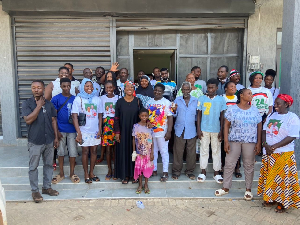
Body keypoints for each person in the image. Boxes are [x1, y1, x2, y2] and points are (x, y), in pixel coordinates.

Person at [215, 88, 262, 200]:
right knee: (229, 163)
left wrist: (259, 142)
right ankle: (225, 187)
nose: (251, 95)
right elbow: (226, 125)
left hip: (250, 141)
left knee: (249, 165)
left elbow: (259, 126)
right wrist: (226, 141)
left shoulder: (255, 110)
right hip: (234, 140)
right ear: (241, 95)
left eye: (251, 94)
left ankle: (248, 190)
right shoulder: (232, 109)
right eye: (249, 93)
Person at [258, 94, 300, 213]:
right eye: (275, 103)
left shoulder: (293, 118)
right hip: (269, 153)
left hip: (284, 153)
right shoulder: (272, 115)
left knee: (282, 180)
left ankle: (283, 203)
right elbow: (264, 130)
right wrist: (265, 144)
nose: (275, 106)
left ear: (286, 104)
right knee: (270, 177)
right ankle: (270, 198)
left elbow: (292, 136)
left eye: (278, 104)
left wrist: (275, 146)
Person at [22, 80, 59, 203]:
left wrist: (55, 137)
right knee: (33, 167)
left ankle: (47, 187)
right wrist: (38, 106)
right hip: (35, 141)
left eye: (39, 87)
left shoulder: (49, 104)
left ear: (43, 89)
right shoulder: (27, 103)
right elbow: (28, 120)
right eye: (34, 88)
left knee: (48, 165)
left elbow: (53, 120)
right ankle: (35, 191)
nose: (36, 90)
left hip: (48, 140)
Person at [71, 78, 103, 183]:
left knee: (94, 151)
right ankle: (86, 174)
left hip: (95, 130)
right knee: (85, 151)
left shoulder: (97, 99)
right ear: (82, 87)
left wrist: (100, 129)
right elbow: (74, 117)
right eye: (87, 86)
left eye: (91, 86)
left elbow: (100, 116)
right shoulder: (78, 99)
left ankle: (91, 172)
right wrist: (78, 133)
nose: (89, 88)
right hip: (83, 130)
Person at [197, 78, 226, 183]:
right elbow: (199, 115)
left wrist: (222, 131)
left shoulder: (221, 99)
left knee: (216, 151)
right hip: (204, 129)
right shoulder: (202, 98)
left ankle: (216, 173)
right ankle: (203, 171)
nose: (210, 89)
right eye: (209, 87)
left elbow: (222, 116)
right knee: (204, 150)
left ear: (217, 88)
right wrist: (198, 129)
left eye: (212, 87)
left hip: (216, 129)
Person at [51, 78, 80, 184]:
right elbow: (53, 117)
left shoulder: (75, 99)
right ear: (60, 86)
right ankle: (61, 173)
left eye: (68, 86)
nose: (67, 88)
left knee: (73, 152)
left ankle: (72, 173)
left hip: (72, 130)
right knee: (61, 152)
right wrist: (56, 132)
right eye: (64, 86)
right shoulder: (56, 99)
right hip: (61, 130)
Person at [114, 81, 141, 184]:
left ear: (134, 89)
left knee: (135, 153)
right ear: (124, 89)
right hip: (123, 131)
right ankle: (125, 175)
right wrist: (117, 132)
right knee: (124, 152)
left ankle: (135, 175)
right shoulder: (119, 102)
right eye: (127, 87)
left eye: (131, 87)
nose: (129, 89)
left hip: (135, 132)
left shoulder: (138, 101)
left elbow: (142, 115)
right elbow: (116, 118)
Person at [146, 83, 174, 182]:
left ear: (162, 92)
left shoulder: (166, 102)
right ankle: (154, 169)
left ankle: (165, 171)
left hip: (162, 132)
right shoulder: (149, 102)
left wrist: (169, 131)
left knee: (163, 151)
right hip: (150, 132)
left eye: (159, 91)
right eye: (156, 90)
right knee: (153, 151)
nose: (157, 92)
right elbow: (146, 116)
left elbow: (170, 117)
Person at [172, 82, 198, 180]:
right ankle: (176, 171)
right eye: (184, 89)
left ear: (190, 90)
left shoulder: (196, 101)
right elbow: (174, 114)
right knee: (178, 151)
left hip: (191, 129)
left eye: (187, 89)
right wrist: (173, 110)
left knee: (191, 152)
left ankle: (190, 171)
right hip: (179, 129)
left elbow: (198, 116)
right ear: (181, 90)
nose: (186, 91)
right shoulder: (177, 100)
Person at [221, 81, 241, 178]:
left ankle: (237, 168)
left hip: (236, 127)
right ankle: (223, 167)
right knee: (224, 147)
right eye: (231, 86)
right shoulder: (222, 98)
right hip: (225, 125)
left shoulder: (238, 99)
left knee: (236, 147)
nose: (234, 88)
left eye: (234, 87)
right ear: (226, 88)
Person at [100, 81, 119, 180]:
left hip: (115, 124)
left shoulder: (118, 98)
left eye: (111, 87)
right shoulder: (102, 98)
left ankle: (115, 169)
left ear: (114, 88)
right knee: (108, 149)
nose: (109, 90)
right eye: (107, 88)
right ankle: (109, 170)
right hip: (106, 124)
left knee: (115, 149)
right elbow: (100, 113)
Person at [133, 108, 154, 194]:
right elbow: (133, 139)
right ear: (139, 116)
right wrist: (134, 151)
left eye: (146, 116)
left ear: (148, 116)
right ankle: (140, 185)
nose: (144, 117)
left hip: (147, 153)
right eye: (142, 116)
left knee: (146, 169)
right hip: (139, 152)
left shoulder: (150, 127)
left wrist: (152, 152)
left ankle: (146, 185)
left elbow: (151, 141)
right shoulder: (136, 126)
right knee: (140, 169)